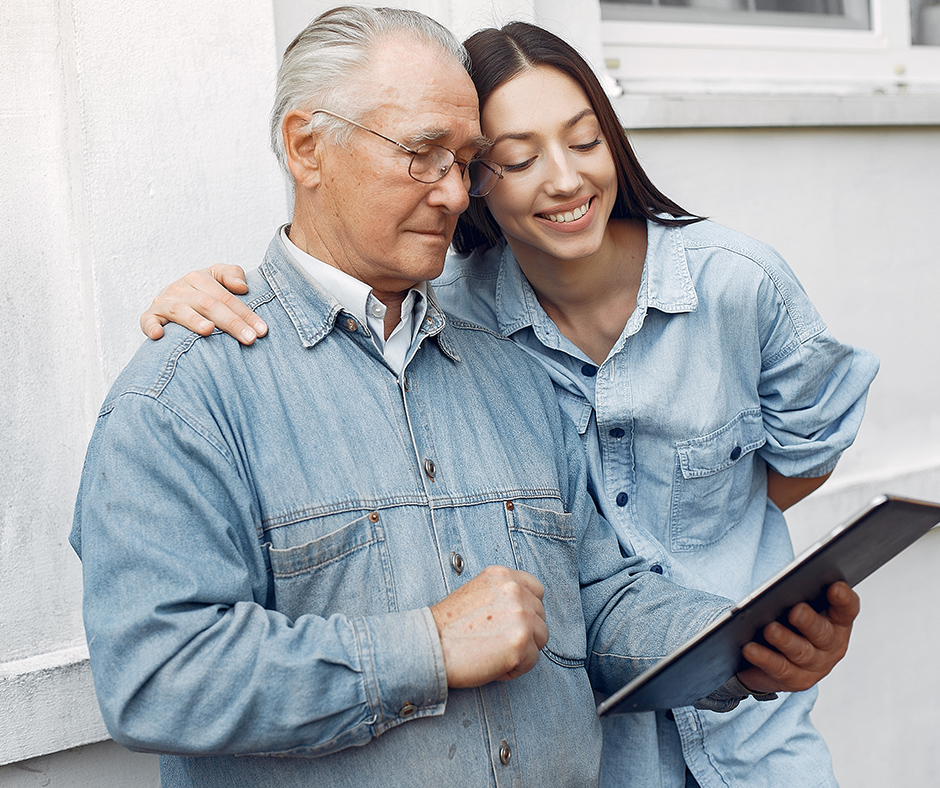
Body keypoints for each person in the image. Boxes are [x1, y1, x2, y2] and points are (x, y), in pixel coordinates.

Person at [140, 16, 879, 788]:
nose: (457, 191)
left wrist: (740, 632)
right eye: (499, 159)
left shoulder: (711, 292)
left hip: (748, 743)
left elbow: (608, 582)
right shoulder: (233, 375)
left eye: (465, 164)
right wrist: (430, 644)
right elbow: (161, 675)